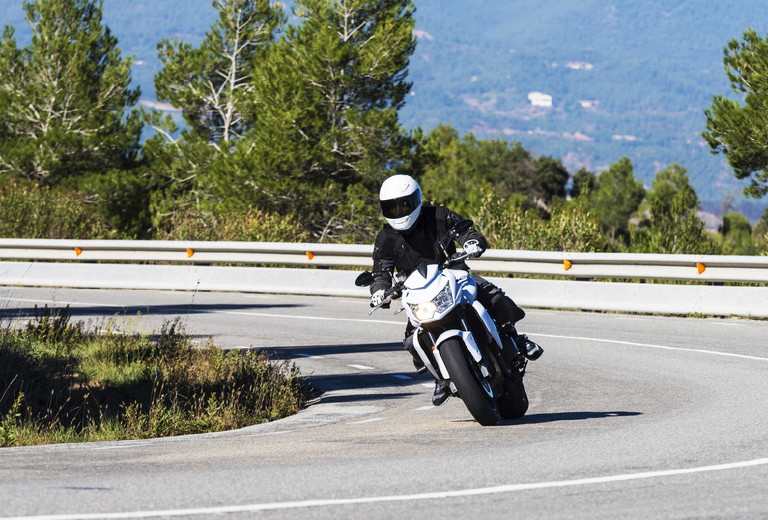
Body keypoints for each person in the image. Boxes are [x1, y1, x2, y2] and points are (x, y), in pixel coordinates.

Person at [369, 174, 543, 406]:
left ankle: (515, 337)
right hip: (418, 293)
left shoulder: (439, 215)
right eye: (392, 207)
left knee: (493, 296)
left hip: (454, 275)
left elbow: (462, 229)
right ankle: (442, 377)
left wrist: (471, 241)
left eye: (404, 204)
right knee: (412, 341)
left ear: (416, 199)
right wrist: (379, 291)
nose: (399, 211)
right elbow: (380, 270)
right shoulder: (385, 238)